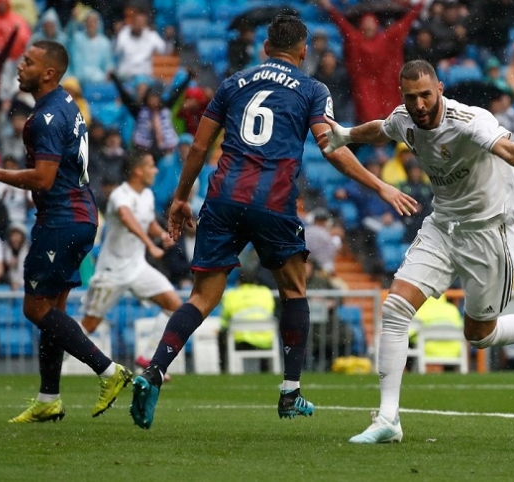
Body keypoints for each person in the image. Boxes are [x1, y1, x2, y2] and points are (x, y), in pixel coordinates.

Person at [128, 15, 417, 430]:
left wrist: (179, 199)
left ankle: (155, 370)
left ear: (265, 48)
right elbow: (331, 147)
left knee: (202, 298)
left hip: (223, 197)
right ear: (303, 51)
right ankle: (290, 391)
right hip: (272, 200)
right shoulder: (312, 88)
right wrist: (381, 186)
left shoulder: (234, 82)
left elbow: (199, 146)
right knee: (294, 290)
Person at [318, 59, 514, 443]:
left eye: (426, 95)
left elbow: (507, 150)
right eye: (411, 97)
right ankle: (388, 419)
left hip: (488, 233)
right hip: (443, 227)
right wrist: (346, 135)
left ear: (440, 89)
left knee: (480, 335)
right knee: (395, 308)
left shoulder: (468, 121)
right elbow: (382, 128)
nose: (419, 104)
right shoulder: (405, 118)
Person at [0, 40, 132, 423]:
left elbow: (44, 179)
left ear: (48, 73)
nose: (19, 67)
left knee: (35, 307)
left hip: (61, 219)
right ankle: (49, 398)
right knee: (54, 310)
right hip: (80, 215)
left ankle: (109, 370)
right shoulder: (67, 104)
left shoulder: (44, 117)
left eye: (28, 62)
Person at [80, 151, 183, 373]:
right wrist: (150, 245)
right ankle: (55, 359)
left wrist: (161, 234)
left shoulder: (147, 195)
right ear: (138, 171)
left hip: (137, 268)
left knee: (175, 306)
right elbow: (127, 218)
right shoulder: (120, 195)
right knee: (89, 325)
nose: (155, 170)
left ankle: (147, 358)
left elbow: (147, 221)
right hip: (112, 270)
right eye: (151, 166)